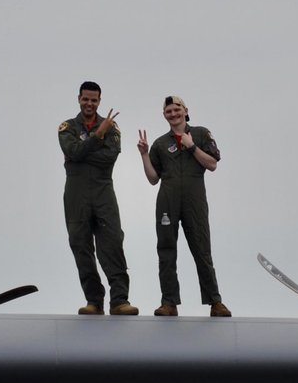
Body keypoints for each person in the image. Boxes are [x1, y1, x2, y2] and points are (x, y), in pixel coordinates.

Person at [137, 95, 231, 317]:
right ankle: (169, 302)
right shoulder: (161, 144)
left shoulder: (199, 133)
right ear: (164, 115)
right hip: (167, 200)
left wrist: (191, 146)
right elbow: (153, 178)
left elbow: (213, 163)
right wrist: (143, 155)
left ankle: (215, 301)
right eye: (168, 111)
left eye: (177, 109)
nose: (173, 113)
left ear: (185, 110)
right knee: (166, 250)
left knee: (201, 248)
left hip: (194, 199)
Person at [58, 81, 138, 316]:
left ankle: (120, 300)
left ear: (99, 101)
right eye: (86, 99)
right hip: (76, 194)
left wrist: (82, 151)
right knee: (81, 246)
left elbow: (108, 158)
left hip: (103, 192)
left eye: (94, 100)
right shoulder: (67, 127)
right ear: (79, 99)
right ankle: (94, 300)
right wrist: (97, 136)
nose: (89, 104)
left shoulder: (111, 126)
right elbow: (72, 151)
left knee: (112, 243)